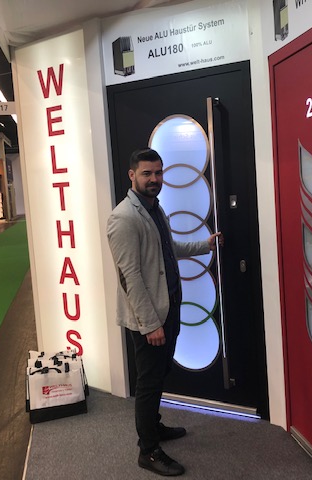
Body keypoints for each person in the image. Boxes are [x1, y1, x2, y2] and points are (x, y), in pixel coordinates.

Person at [107, 147, 223, 476]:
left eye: (158, 173)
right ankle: (148, 451)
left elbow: (168, 251)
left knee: (159, 375)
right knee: (148, 382)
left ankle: (153, 427)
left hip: (168, 307)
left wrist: (204, 245)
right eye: (147, 173)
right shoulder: (124, 218)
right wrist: (150, 325)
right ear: (132, 175)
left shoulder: (156, 209)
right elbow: (130, 278)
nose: (154, 179)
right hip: (149, 318)